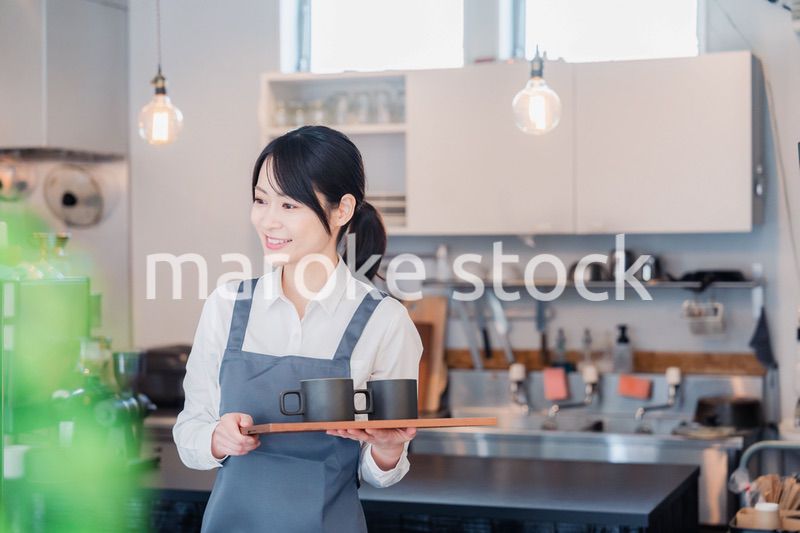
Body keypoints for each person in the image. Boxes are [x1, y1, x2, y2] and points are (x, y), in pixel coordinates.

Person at [173, 125, 422, 532]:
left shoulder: (385, 321)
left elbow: (378, 472)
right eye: (260, 200)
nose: (268, 221)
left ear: (342, 210)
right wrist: (218, 439)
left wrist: (391, 447)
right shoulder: (226, 306)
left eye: (289, 205)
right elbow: (189, 432)